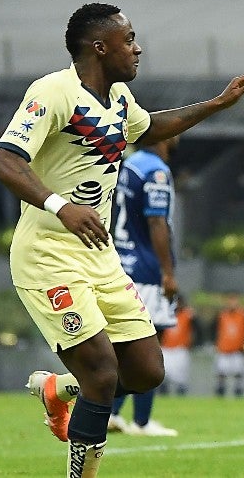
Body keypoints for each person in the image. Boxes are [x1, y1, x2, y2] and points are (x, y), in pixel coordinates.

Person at [0, 2, 244, 477]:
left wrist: (218, 103)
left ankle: (60, 388)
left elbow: (151, 127)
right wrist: (61, 205)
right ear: (100, 46)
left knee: (144, 372)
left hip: (99, 255)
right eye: (129, 39)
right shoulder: (53, 92)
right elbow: (5, 162)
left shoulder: (117, 99)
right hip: (47, 255)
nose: (137, 48)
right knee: (101, 373)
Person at [107, 138, 181, 437]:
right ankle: (142, 421)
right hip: (146, 271)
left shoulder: (130, 164)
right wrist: (167, 272)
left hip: (121, 263)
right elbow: (157, 223)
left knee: (126, 348)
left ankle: (111, 413)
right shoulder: (156, 171)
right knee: (149, 349)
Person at [213, 293, 244, 397]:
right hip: (224, 350)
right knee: (221, 373)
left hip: (238, 350)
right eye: (230, 300)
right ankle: (220, 396)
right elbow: (215, 330)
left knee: (239, 373)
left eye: (234, 300)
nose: (232, 303)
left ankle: (238, 396)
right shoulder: (221, 315)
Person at [159, 297, 196, 396]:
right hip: (166, 348)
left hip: (180, 349)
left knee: (180, 376)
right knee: (164, 374)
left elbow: (196, 328)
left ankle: (181, 395)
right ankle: (163, 395)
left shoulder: (188, 315)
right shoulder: (164, 314)